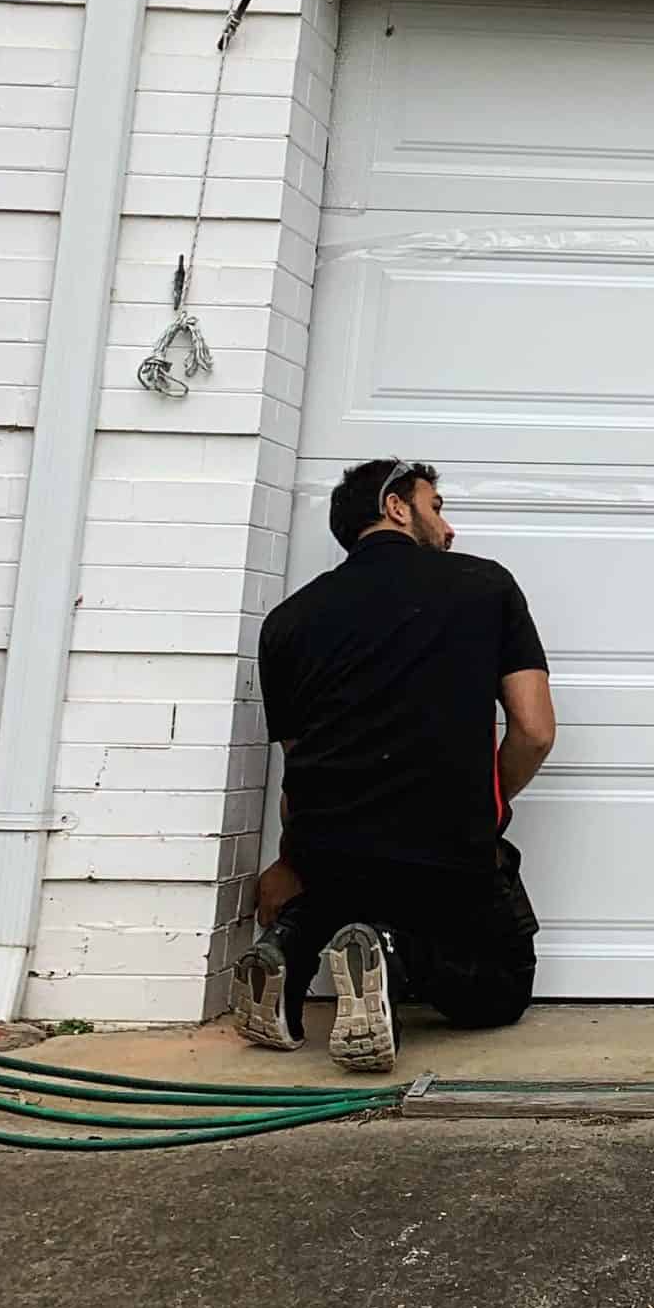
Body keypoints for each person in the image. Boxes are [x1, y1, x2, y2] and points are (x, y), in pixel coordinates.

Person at [233, 459, 557, 1072]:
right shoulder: (484, 587)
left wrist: (288, 858)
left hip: (331, 850)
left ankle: (290, 950)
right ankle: (393, 952)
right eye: (436, 506)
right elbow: (535, 731)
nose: (450, 526)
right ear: (396, 506)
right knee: (498, 988)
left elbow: (299, 769)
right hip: (444, 848)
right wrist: (485, 805)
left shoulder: (288, 622)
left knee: (344, 878)